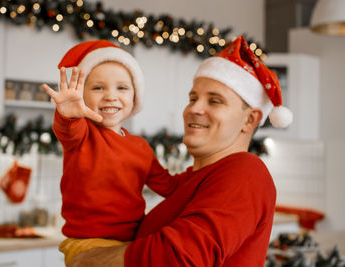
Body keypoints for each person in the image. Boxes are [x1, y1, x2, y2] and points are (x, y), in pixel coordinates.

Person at [68, 35, 293, 267]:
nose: (194, 108)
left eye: (215, 101)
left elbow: (178, 258)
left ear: (250, 119)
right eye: (193, 98)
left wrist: (87, 260)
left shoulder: (247, 173)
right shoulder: (196, 180)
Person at [41, 40, 186, 266]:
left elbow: (171, 187)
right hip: (88, 243)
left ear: (135, 97)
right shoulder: (82, 134)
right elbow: (67, 130)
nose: (110, 96)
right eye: (98, 88)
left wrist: (209, 173)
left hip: (131, 240)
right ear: (82, 95)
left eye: (122, 88)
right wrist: (67, 115)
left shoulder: (141, 147)